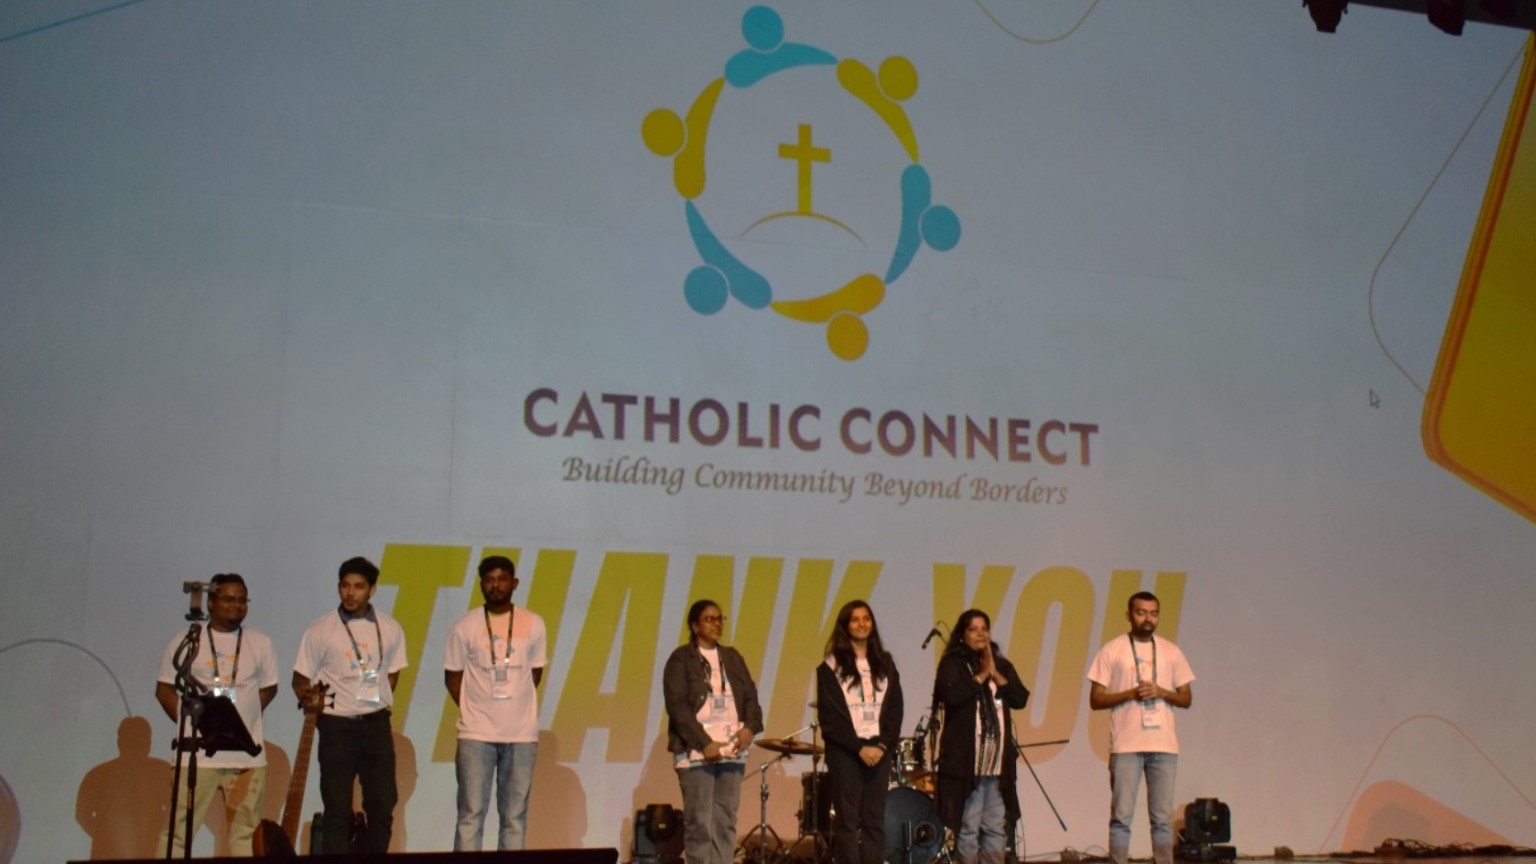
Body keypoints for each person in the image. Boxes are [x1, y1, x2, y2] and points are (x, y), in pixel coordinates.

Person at [155, 574, 279, 857]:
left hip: (246, 757)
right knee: (178, 832)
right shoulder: (187, 641)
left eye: (242, 600)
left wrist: (237, 722)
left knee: (246, 834)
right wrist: (197, 724)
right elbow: (164, 690)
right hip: (197, 755)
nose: (237, 605)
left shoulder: (260, 642)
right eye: (229, 599)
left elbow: (269, 689)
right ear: (211, 602)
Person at [291, 556, 407, 855]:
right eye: (345, 586)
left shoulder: (390, 628)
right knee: (337, 809)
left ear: (372, 590)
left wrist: (371, 700)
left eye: (358, 587)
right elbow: (300, 679)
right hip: (336, 727)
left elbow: (392, 674)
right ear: (338, 587)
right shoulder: (321, 629)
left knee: (382, 805)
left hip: (376, 724)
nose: (350, 593)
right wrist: (310, 700)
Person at [444, 555, 548, 851]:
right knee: (470, 816)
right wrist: (476, 708)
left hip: (521, 735)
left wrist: (510, 705)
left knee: (514, 818)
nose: (496, 585)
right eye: (489, 580)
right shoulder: (464, 625)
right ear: (481, 585)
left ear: (514, 583)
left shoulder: (533, 623)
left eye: (502, 579)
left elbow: (534, 674)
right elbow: (453, 676)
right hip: (476, 734)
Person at [1087, 592, 1196, 864]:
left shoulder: (1171, 651)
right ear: (1129, 615)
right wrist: (1130, 694)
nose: (1148, 619)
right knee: (1121, 817)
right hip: (1127, 745)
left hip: (1164, 745)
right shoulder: (1113, 650)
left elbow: (1186, 698)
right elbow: (1096, 699)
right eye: (1141, 612)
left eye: (1153, 613)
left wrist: (1162, 692)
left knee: (1162, 819)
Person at [662, 599, 763, 864]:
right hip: (696, 753)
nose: (717, 624)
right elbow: (677, 706)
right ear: (695, 626)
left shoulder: (732, 657)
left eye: (720, 618)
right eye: (709, 619)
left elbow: (751, 697)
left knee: (725, 820)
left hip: (731, 750)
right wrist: (704, 742)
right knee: (699, 822)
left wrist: (749, 729)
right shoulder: (681, 659)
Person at [932, 609, 1030, 864]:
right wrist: (982, 676)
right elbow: (952, 696)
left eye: (984, 629)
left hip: (997, 766)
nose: (980, 634)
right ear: (962, 634)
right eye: (973, 629)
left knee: (996, 829)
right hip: (967, 766)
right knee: (968, 829)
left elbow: (1019, 698)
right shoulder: (953, 664)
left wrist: (995, 673)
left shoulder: (1000, 664)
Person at [816, 600, 903, 864]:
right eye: (855, 619)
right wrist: (859, 748)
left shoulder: (885, 663)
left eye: (866, 618)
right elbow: (830, 719)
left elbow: (895, 709)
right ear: (845, 626)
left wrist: (882, 745)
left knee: (875, 820)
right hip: (846, 752)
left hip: (879, 750)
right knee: (847, 822)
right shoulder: (830, 667)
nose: (862, 624)